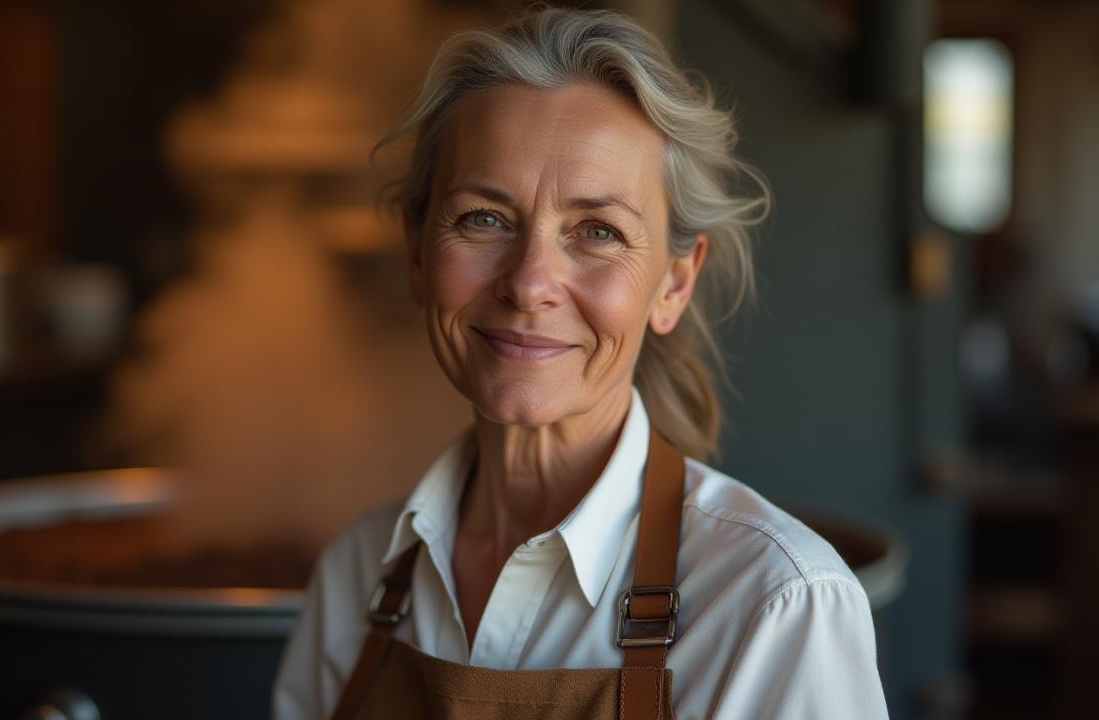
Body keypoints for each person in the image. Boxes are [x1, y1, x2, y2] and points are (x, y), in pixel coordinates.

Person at [272, 7, 889, 719]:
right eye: (483, 218)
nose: (530, 283)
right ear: (417, 253)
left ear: (675, 282)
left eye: (598, 231)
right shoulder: (359, 573)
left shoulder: (773, 605)